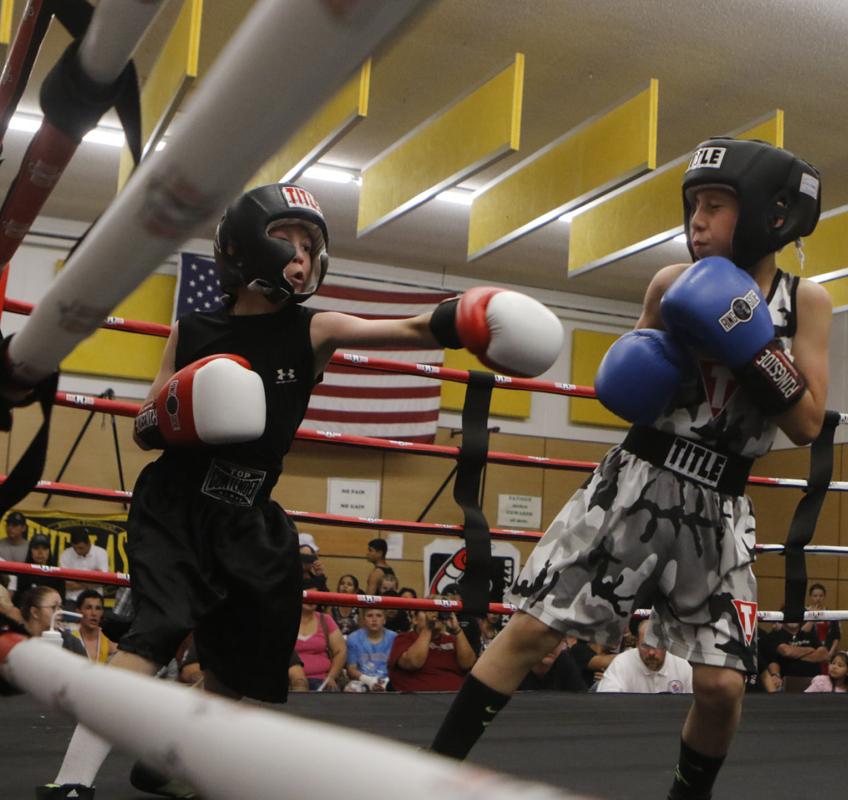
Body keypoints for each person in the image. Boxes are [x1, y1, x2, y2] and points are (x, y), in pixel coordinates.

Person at [40, 182, 561, 799]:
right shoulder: (193, 330)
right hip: (176, 502)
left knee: (248, 668)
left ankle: (166, 755)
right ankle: (69, 782)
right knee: (157, 629)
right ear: (242, 248)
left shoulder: (314, 330)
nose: (303, 256)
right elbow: (143, 426)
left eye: (313, 246)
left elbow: (405, 329)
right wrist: (173, 414)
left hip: (250, 513)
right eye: (289, 239)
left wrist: (465, 319)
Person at [429, 137, 828, 800]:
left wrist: (752, 345)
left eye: (715, 205)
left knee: (723, 685)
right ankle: (430, 773)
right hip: (638, 478)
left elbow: (809, 422)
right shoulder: (670, 283)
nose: (696, 220)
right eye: (693, 205)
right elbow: (628, 393)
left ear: (768, 214)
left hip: (719, 503)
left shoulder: (803, 301)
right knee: (529, 631)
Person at [388, 603, 477, 692]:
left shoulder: (453, 640)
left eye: (438, 610)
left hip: (453, 699)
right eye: (428, 610)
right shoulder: (404, 638)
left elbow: (468, 664)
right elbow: (413, 663)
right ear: (415, 619)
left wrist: (457, 630)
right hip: (418, 701)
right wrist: (428, 627)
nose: (434, 614)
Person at [597, 619, 694, 694]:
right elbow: (607, 703)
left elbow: (698, 703)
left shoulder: (682, 664)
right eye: (645, 646)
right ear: (637, 644)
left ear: (666, 644)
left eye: (657, 645)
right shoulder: (621, 663)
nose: (651, 652)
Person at [294, 592, 346, 691]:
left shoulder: (326, 620)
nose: (311, 599)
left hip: (321, 680)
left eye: (314, 596)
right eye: (308, 595)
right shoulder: (284, 619)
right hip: (290, 680)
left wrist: (331, 677)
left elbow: (340, 651)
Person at [20, 586, 88, 657]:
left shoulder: (71, 643)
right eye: (54, 607)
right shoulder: (16, 638)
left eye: (60, 607)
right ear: (35, 612)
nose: (60, 612)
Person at [763, 617, 828, 689]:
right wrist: (811, 650)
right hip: (788, 685)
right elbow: (786, 651)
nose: (793, 618)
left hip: (815, 683)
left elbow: (824, 655)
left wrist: (793, 654)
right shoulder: (774, 635)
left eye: (795, 615)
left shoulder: (809, 634)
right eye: (790, 615)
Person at [344, 608, 397, 691]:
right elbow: (351, 669)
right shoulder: (353, 638)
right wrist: (369, 680)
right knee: (350, 689)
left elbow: (398, 667)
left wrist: (386, 682)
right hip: (362, 680)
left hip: (389, 680)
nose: (374, 619)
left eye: (379, 616)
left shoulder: (394, 638)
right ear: (364, 620)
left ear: (384, 620)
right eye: (370, 616)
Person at [58, 530, 110, 609]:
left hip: (95, 599)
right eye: (75, 548)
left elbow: (102, 581)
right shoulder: (65, 554)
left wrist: (75, 579)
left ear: (89, 544)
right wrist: (92, 578)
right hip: (72, 600)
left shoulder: (101, 553)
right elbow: (66, 584)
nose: (77, 551)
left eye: (80, 548)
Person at [518, 638, 589, 692]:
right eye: (545, 639)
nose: (552, 646)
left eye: (558, 640)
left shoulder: (564, 660)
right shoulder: (515, 662)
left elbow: (582, 698)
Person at [13, 534, 65, 604]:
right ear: (30, 551)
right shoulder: (23, 572)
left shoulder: (57, 574)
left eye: (44, 548)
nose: (40, 552)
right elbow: (18, 600)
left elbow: (61, 602)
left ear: (49, 551)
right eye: (36, 548)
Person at [802, 582, 840, 669]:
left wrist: (831, 652)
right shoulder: (805, 612)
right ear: (810, 597)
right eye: (815, 596)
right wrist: (812, 615)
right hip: (810, 652)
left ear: (824, 596)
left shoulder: (830, 613)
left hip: (827, 651)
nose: (818, 598)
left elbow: (836, 636)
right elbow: (803, 632)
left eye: (821, 596)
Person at [70, 590, 115, 664]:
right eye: (88, 608)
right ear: (78, 612)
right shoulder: (70, 638)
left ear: (102, 612)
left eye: (98, 608)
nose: (94, 613)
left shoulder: (110, 640)